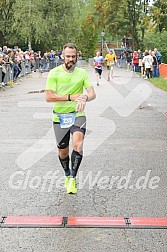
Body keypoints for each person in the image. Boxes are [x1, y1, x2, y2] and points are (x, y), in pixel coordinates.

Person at [45, 43, 96, 194]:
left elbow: (92, 93)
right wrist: (70, 97)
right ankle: (67, 174)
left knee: (78, 145)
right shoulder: (54, 73)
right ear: (63, 56)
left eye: (73, 57)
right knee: (63, 152)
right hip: (60, 116)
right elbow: (48, 97)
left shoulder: (82, 73)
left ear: (77, 56)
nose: (70, 59)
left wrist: (85, 97)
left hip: (77, 115)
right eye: (68, 56)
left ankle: (73, 178)